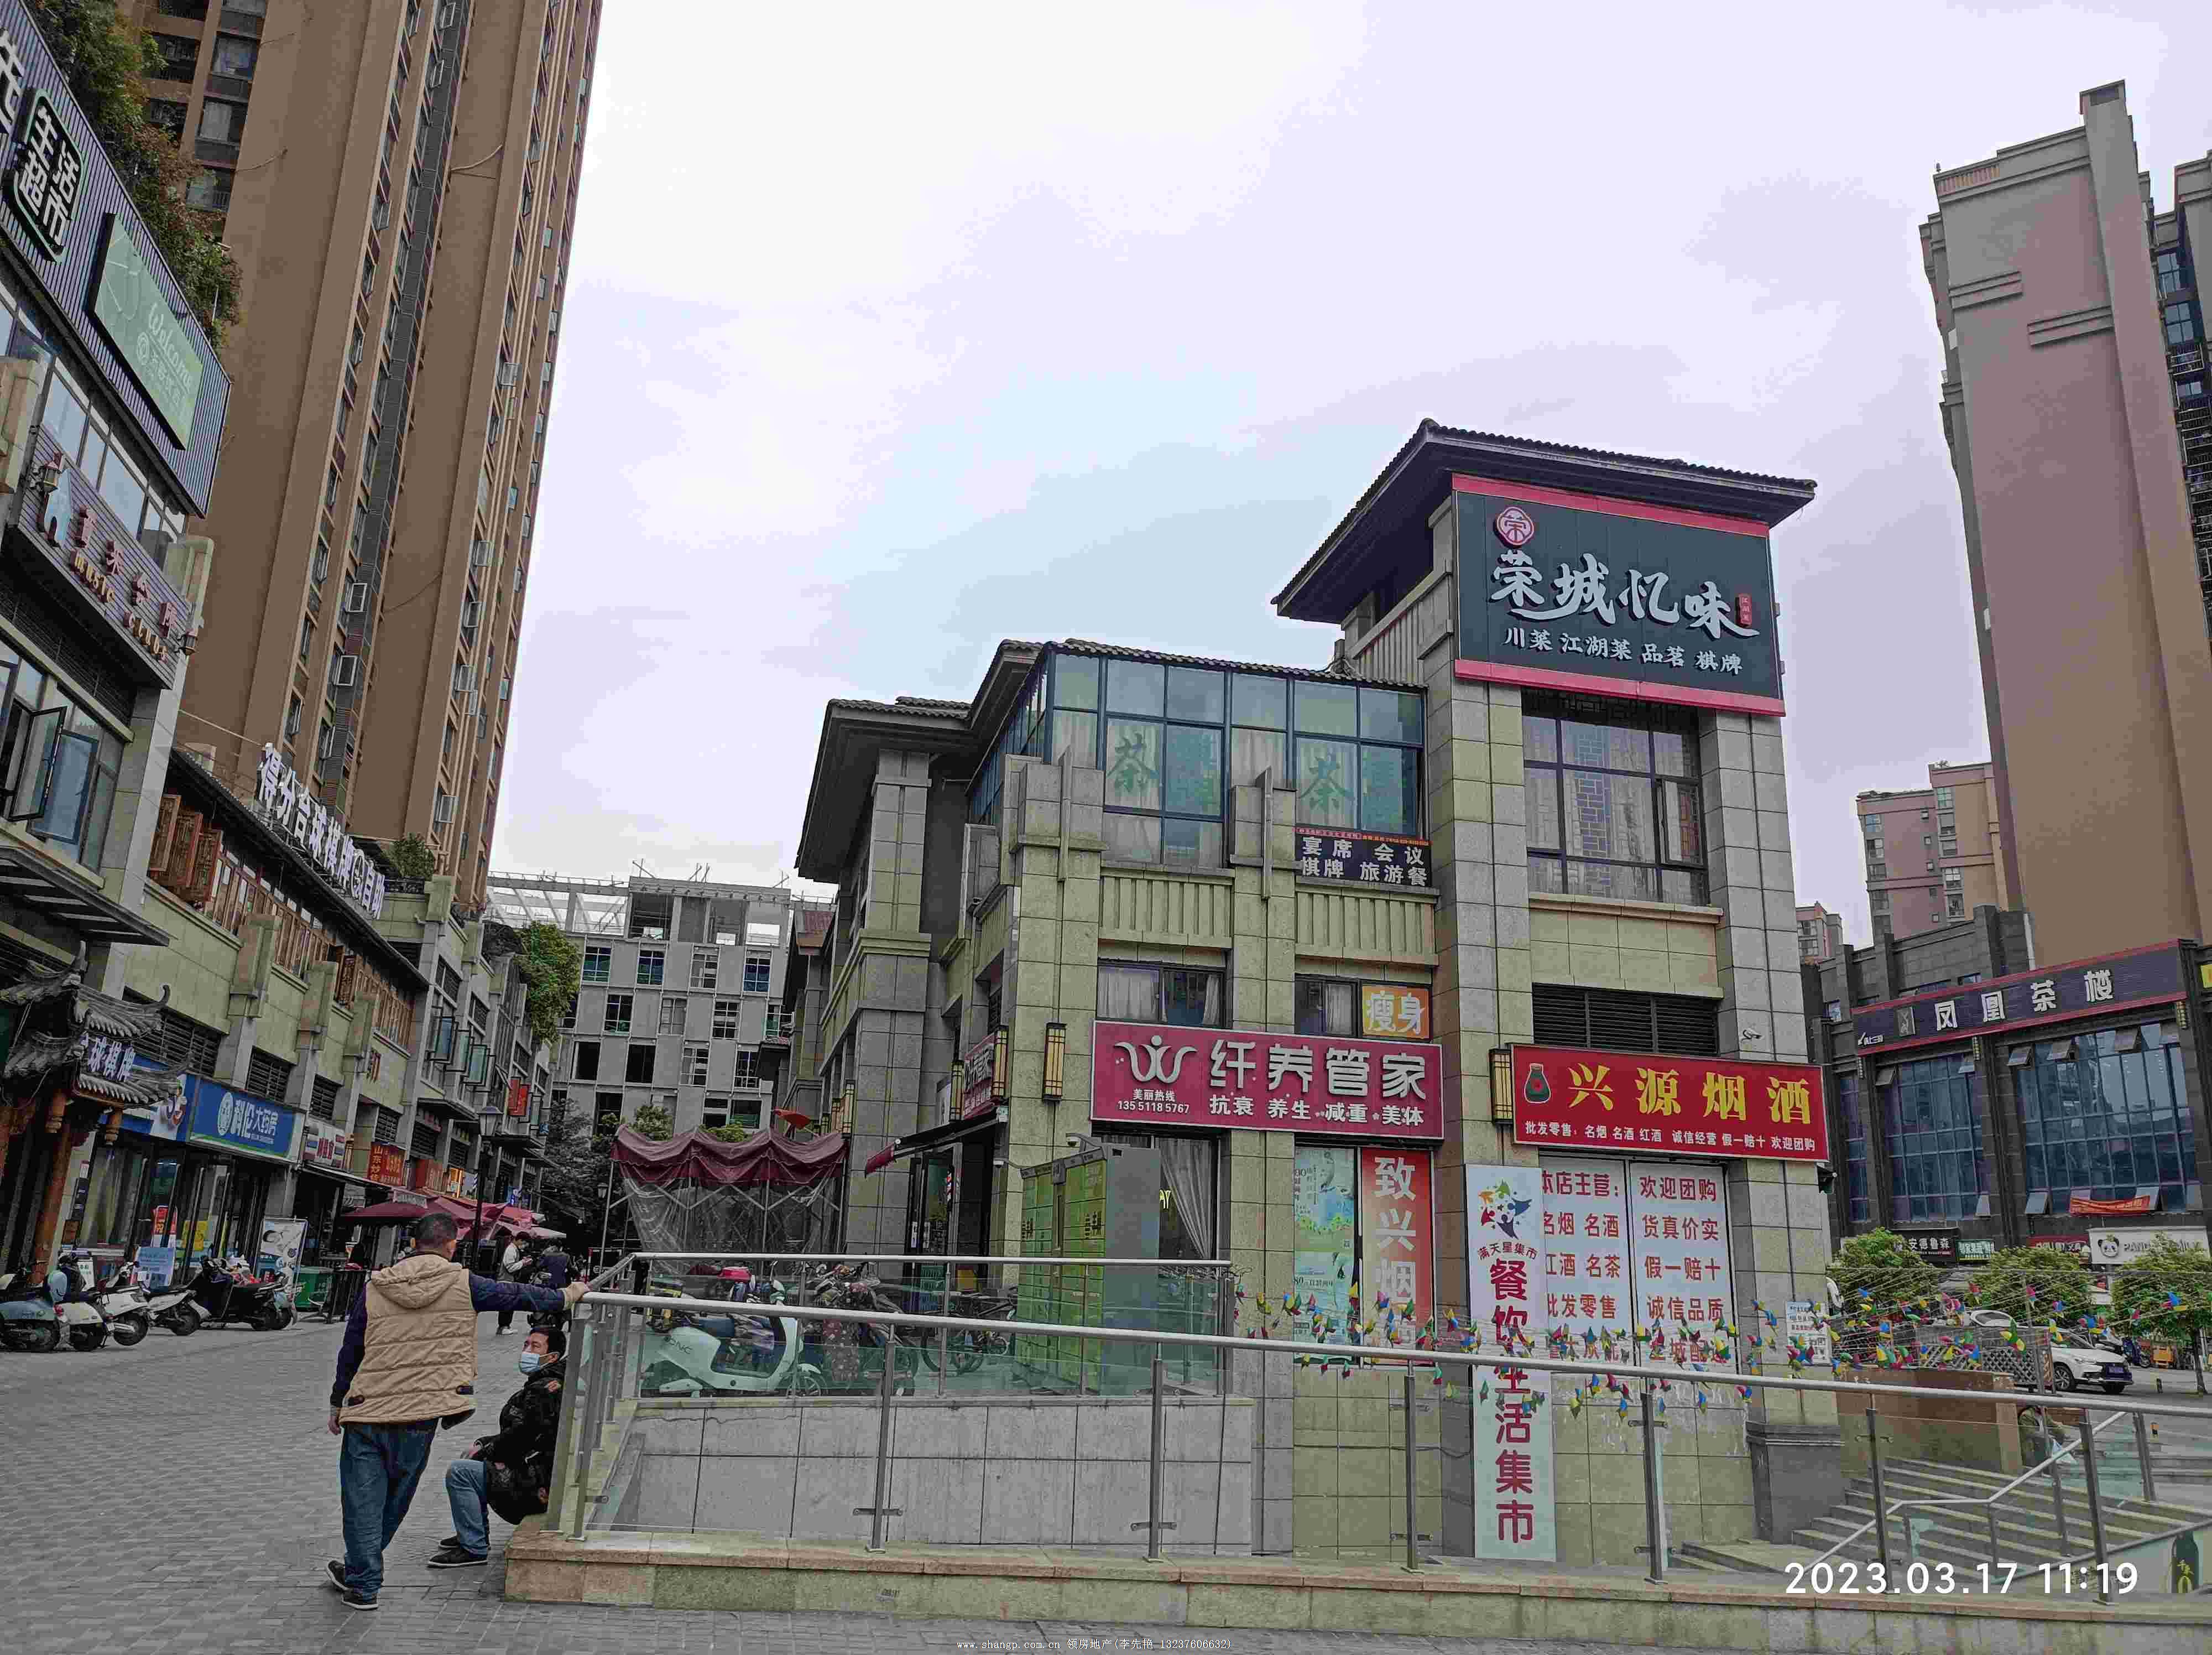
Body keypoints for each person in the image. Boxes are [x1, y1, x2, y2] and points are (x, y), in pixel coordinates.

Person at [323, 1210, 585, 1611]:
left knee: (361, 1501)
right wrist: (569, 1294)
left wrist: (337, 1401)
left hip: (367, 1411)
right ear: (451, 1245)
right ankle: (362, 1572)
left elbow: (351, 1349)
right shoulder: (465, 1284)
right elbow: (517, 1295)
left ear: (413, 1245)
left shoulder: (375, 1287)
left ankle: (363, 1581)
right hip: (420, 1416)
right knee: (395, 1498)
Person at [435, 1322, 567, 1566]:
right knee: (472, 1461)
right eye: (526, 1344)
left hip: (536, 1484)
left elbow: (520, 1439)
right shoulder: (546, 1382)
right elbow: (518, 1433)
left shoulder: (545, 1390)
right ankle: (473, 1533)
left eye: (535, 1347)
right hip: (539, 1471)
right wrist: (483, 1444)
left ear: (552, 1357)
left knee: (460, 1472)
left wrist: (485, 1451)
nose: (527, 1351)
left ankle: (473, 1547)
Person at [494, 1236, 531, 1336]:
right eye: (524, 1243)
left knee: (510, 1305)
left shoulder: (514, 1249)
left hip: (509, 1281)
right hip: (506, 1281)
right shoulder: (511, 1250)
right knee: (507, 1305)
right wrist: (523, 1263)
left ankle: (506, 1326)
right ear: (519, 1240)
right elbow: (510, 1268)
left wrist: (523, 1262)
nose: (524, 1246)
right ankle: (503, 1327)